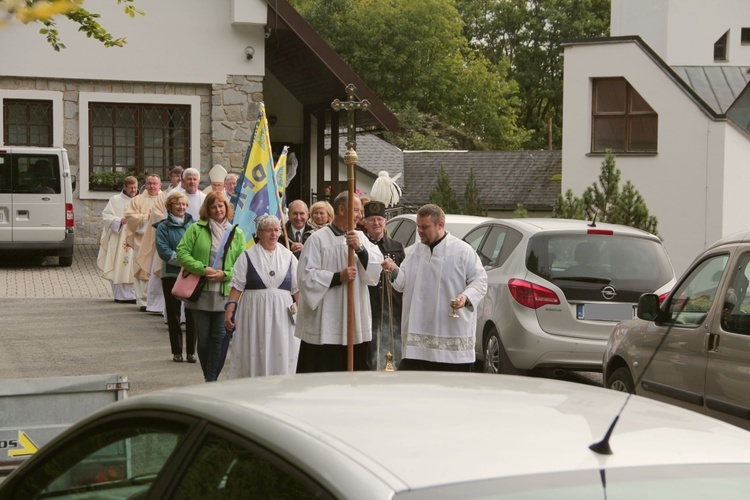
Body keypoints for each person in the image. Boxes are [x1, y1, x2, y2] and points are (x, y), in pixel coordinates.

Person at [383, 204, 487, 372]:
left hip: (451, 339)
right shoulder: (412, 252)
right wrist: (394, 270)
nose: (420, 231)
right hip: (418, 342)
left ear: (440, 225)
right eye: (418, 226)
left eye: (425, 227)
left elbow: (480, 281)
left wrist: (465, 297)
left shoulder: (462, 251)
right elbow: (402, 284)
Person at [296, 192, 383, 372]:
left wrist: (360, 249)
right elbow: (305, 278)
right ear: (342, 209)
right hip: (326, 321)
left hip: (354, 318)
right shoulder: (317, 240)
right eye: (357, 210)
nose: (360, 215)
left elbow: (376, 267)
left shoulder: (360, 237)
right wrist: (337, 277)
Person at [177, 192, 245, 382]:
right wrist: (203, 269)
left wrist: (225, 275)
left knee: (220, 337)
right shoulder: (196, 229)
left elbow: (243, 263)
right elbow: (182, 253)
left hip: (224, 294)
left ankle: (212, 378)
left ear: (227, 208)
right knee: (204, 339)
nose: (218, 210)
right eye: (213, 207)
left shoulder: (236, 233)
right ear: (207, 209)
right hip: (200, 293)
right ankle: (208, 375)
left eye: (221, 206)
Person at [224, 214, 299, 378]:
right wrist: (229, 312)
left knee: (282, 350)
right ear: (258, 233)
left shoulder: (289, 257)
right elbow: (237, 287)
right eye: (268, 230)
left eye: (276, 230)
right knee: (256, 348)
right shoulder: (247, 256)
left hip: (283, 315)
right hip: (254, 314)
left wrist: (304, 314)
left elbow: (297, 289)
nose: (273, 234)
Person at [154, 192, 196, 363]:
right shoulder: (163, 227)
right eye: (178, 204)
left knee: (192, 312)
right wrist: (185, 262)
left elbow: (198, 245)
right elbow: (163, 250)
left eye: (184, 204)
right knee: (173, 313)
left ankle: (191, 351)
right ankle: (177, 351)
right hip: (171, 273)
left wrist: (192, 264)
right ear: (170, 206)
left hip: (191, 275)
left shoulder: (193, 225)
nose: (181, 207)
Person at [363, 201, 405, 370]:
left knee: (393, 344)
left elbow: (403, 275)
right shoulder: (362, 245)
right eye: (372, 219)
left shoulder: (396, 247)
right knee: (370, 346)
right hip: (369, 303)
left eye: (379, 219)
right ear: (365, 222)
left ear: (385, 221)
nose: (376, 223)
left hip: (392, 305)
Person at [124, 174, 166, 311]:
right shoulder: (138, 200)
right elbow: (130, 216)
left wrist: (155, 217)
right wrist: (147, 218)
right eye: (149, 183)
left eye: (155, 183)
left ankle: (158, 302)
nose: (152, 186)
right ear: (145, 185)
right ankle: (143, 300)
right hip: (142, 240)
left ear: (160, 185)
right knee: (142, 267)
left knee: (157, 268)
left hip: (160, 240)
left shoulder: (165, 198)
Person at [96, 176, 139, 303]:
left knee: (133, 265)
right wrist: (120, 220)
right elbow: (106, 216)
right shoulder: (115, 200)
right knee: (119, 264)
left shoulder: (139, 200)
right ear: (124, 187)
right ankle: (120, 296)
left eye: (136, 187)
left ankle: (134, 295)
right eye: (131, 188)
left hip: (135, 239)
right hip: (119, 239)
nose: (134, 190)